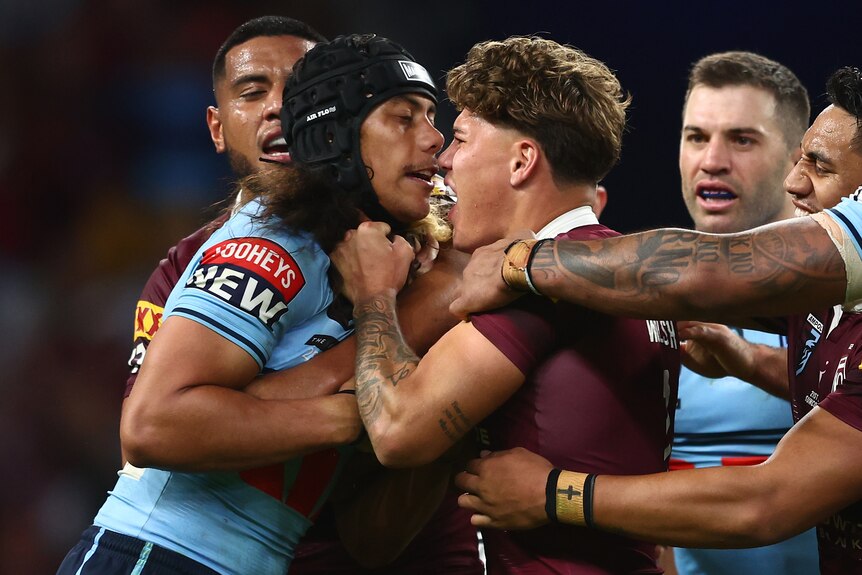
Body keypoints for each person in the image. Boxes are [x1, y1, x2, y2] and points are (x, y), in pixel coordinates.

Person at [57, 32, 478, 575]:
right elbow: (154, 426)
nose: (433, 141)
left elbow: (371, 537)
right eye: (403, 118)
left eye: (431, 117)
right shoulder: (271, 243)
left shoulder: (375, 254)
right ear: (337, 133)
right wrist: (367, 411)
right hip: (159, 554)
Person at [452, 66, 862, 574]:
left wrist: (555, 492)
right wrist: (750, 361)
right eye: (696, 136)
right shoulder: (832, 299)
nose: (792, 181)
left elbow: (764, 503)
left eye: (819, 167)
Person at [332, 36, 680, 573]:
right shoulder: (605, 266)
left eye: (462, 140)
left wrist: (373, 294)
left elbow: (398, 431)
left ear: (522, 162)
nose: (443, 160)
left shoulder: (546, 278)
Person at [666, 51, 818, 575]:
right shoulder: (640, 293)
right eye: (696, 137)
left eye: (742, 138)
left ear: (799, 159)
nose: (712, 160)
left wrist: (751, 361)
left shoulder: (843, 293)